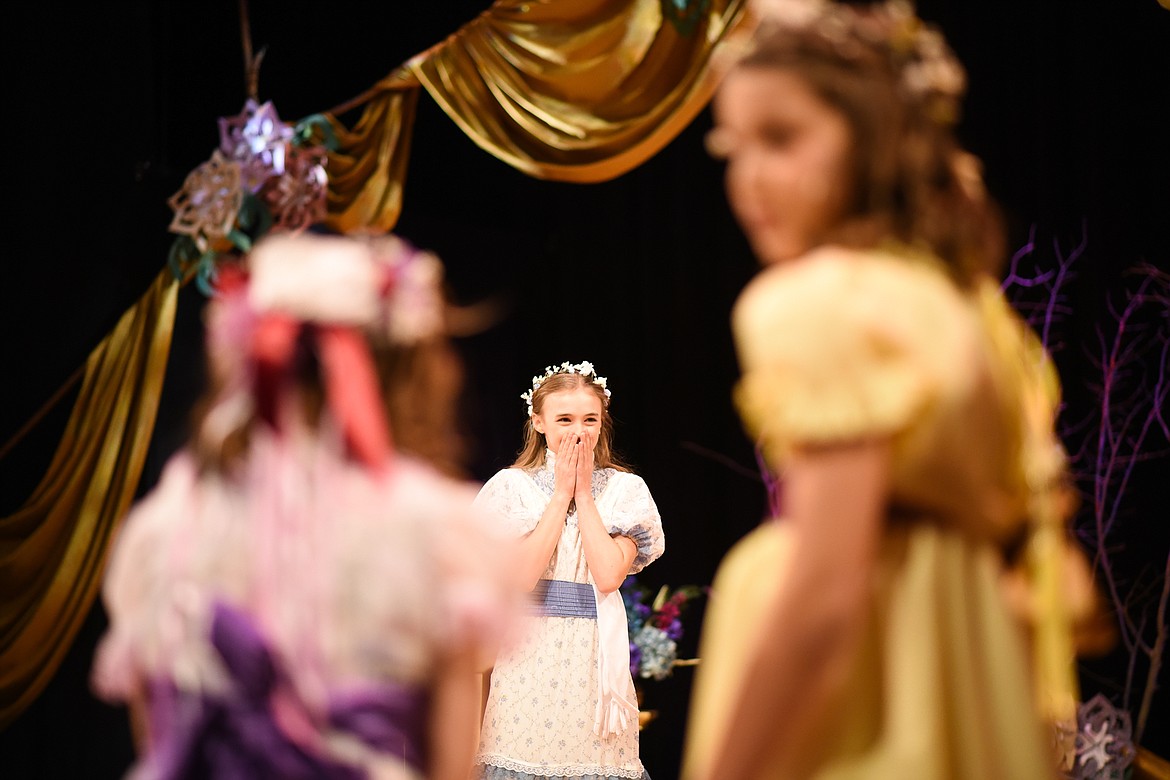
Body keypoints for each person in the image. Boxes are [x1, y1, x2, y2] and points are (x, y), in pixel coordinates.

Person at [681, 1, 1100, 778]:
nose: (749, 180)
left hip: (874, 692)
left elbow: (826, 598)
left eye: (782, 137)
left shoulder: (820, 302)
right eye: (731, 149)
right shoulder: (965, 308)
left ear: (871, 134)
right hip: (958, 673)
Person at [91, 231, 520, 780]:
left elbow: (162, 745)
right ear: (411, 368)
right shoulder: (435, 537)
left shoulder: (169, 533)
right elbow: (449, 766)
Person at [471, 361, 665, 780]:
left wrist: (585, 494)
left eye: (589, 419)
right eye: (564, 419)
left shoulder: (625, 491)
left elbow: (609, 575)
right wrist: (561, 495)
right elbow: (521, 578)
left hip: (593, 662)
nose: (578, 431)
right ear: (538, 422)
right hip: (528, 661)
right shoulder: (511, 488)